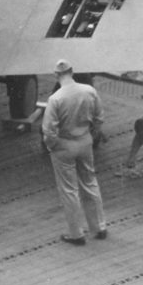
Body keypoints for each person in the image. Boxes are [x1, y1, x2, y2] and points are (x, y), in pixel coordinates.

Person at [42, 59, 107, 245]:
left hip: (64, 144)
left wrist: (52, 145)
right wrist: (92, 135)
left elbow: (48, 130)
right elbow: (99, 117)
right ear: (72, 71)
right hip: (85, 141)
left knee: (69, 190)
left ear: (56, 75)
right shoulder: (89, 90)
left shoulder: (56, 98)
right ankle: (99, 227)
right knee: (90, 182)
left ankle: (76, 234)